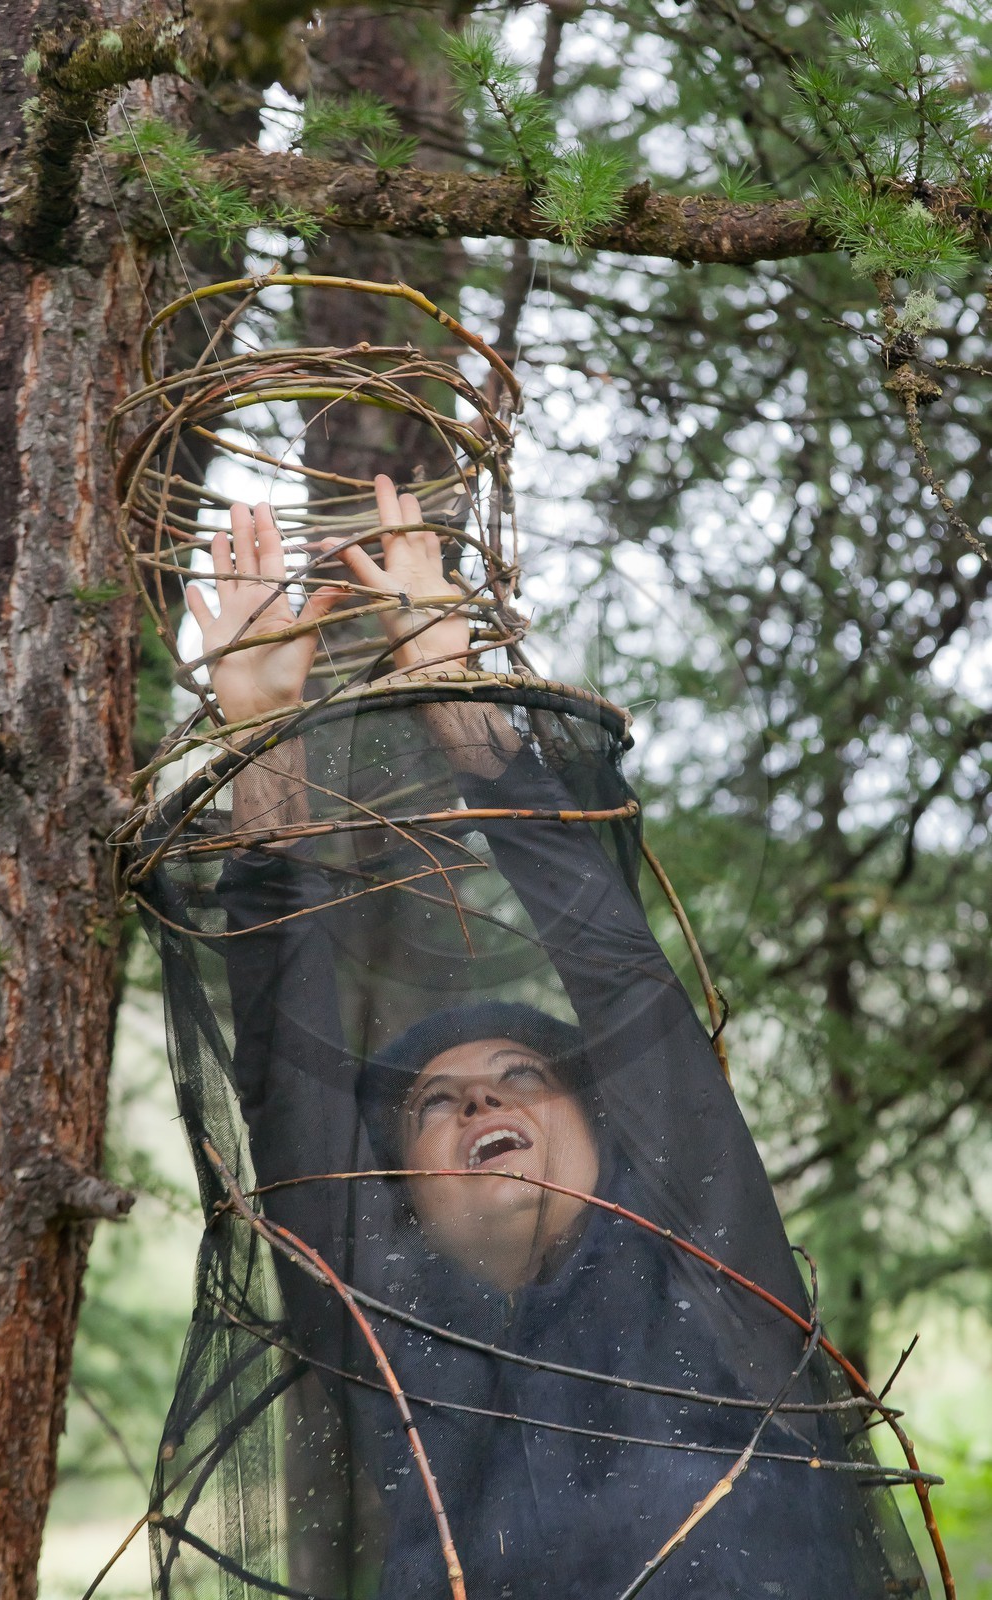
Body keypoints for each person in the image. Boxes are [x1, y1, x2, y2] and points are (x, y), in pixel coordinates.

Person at [184, 478, 929, 1599]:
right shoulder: (393, 1342)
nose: (482, 1105)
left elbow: (620, 979)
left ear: (610, 1128)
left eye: (519, 1076)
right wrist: (261, 742)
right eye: (436, 1102)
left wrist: (453, 690)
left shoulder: (711, 1260)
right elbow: (287, 1083)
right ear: (400, 1195)